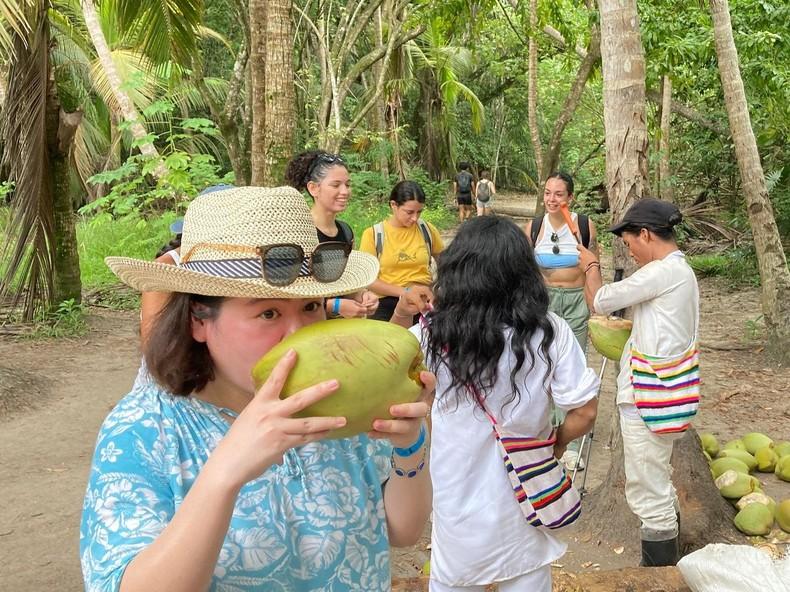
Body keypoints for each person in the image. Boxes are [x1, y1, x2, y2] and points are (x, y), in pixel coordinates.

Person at [80, 186, 435, 592]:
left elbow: (402, 531)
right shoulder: (143, 429)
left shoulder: (336, 401)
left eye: (310, 307)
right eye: (267, 313)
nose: (298, 333)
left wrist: (410, 446)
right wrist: (224, 474)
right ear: (199, 319)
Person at [393, 215, 599, 592]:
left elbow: (385, 365)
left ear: (457, 271)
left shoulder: (430, 333)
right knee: (527, 573)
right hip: (527, 489)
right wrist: (557, 441)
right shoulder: (550, 331)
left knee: (454, 578)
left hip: (457, 494)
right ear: (524, 272)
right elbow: (584, 410)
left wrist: (404, 312)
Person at [578, 198, 699, 567]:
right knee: (657, 479)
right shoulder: (681, 273)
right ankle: (669, 564)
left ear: (646, 234)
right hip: (666, 395)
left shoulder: (662, 272)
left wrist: (591, 265)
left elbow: (599, 301)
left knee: (648, 491)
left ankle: (659, 577)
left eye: (630, 244)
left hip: (649, 398)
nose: (630, 253)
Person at [525, 172, 598, 471]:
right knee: (542, 363)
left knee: (574, 365)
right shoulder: (534, 227)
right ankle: (546, 432)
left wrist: (595, 305)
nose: (552, 199)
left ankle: (573, 445)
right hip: (545, 302)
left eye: (559, 194)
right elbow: (525, 269)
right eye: (547, 193)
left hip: (576, 300)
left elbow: (592, 264)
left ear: (570, 198)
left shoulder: (583, 225)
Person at [285, 150, 378, 319]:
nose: (345, 191)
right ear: (313, 188)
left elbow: (346, 282)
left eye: (347, 185)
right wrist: (334, 305)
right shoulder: (300, 233)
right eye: (336, 185)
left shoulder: (345, 231)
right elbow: (289, 294)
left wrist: (363, 296)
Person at [359, 180, 444, 322]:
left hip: (424, 301)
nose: (415, 218)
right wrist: (406, 292)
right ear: (394, 205)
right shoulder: (374, 234)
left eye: (419, 212)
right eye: (409, 212)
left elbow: (446, 264)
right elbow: (368, 280)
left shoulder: (427, 230)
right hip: (386, 303)